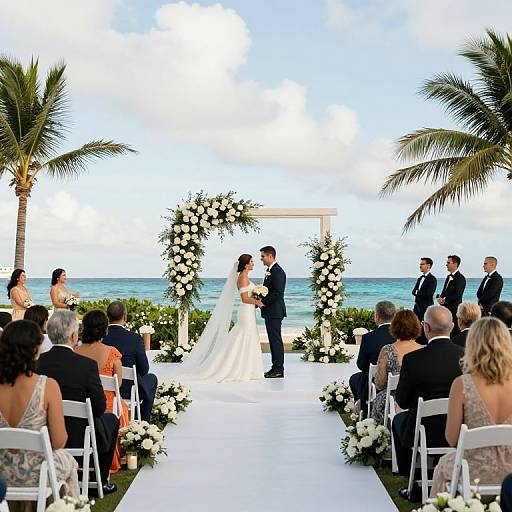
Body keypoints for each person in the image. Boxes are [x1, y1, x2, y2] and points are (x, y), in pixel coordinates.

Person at [37, 310, 119, 495]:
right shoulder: (86, 365)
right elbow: (99, 407)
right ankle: (102, 479)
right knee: (111, 419)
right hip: (81, 436)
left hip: (46, 434)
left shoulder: (38, 363)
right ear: (74, 336)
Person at [430, 317, 512, 496]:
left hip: (473, 473)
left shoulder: (462, 384)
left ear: (473, 345)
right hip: (510, 474)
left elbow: (451, 439)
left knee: (443, 467)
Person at [0, 320, 79, 497]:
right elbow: (59, 441)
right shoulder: (47, 386)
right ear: (35, 351)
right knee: (69, 462)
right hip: (39, 475)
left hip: (2, 474)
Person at [393, 305, 464, 500]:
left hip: (422, 430)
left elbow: (403, 401)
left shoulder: (413, 359)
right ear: (451, 327)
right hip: (459, 430)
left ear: (426, 328)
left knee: (397, 421)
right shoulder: (466, 356)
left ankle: (414, 481)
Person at [171, 254, 264, 382]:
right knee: (244, 336)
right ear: (246, 264)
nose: (253, 263)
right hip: (246, 312)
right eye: (252, 261)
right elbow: (244, 298)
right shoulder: (242, 278)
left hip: (249, 312)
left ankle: (248, 367)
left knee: (247, 337)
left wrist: (257, 297)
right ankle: (236, 367)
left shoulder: (245, 277)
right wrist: (258, 302)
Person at [75, 310, 129, 473]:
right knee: (123, 408)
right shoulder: (112, 352)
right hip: (106, 404)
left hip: (81, 403)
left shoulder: (75, 351)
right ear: (104, 329)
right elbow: (117, 384)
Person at [103, 301, 158, 422]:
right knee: (152, 379)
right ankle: (142, 422)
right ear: (125, 317)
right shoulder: (135, 338)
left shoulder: (100, 337)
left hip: (104, 389)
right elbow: (144, 370)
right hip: (128, 391)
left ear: (107, 317)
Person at [371, 310, 423, 425]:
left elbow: (379, 383)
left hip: (391, 403)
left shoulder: (387, 350)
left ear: (394, 327)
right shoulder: (424, 349)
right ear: (416, 327)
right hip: (417, 402)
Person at [349, 301, 396, 410]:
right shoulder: (401, 337)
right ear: (394, 317)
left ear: (377, 317)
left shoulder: (368, 338)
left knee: (354, 379)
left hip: (375, 384)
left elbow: (361, 365)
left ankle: (363, 409)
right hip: (397, 383)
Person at [260, 246, 287, 378]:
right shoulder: (270, 271)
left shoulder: (278, 271)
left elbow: (278, 293)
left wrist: (263, 302)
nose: (261, 259)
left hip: (275, 312)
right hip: (271, 311)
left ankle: (278, 369)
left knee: (275, 340)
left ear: (270, 256)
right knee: (273, 340)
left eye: (263, 256)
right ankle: (274, 367)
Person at [437, 255, 466, 335]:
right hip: (445, 308)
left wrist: (444, 301)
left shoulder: (461, 278)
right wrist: (440, 298)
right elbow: (445, 290)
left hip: (454, 310)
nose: (446, 264)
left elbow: (457, 294)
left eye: (448, 263)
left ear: (455, 264)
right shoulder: (448, 277)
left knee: (454, 332)